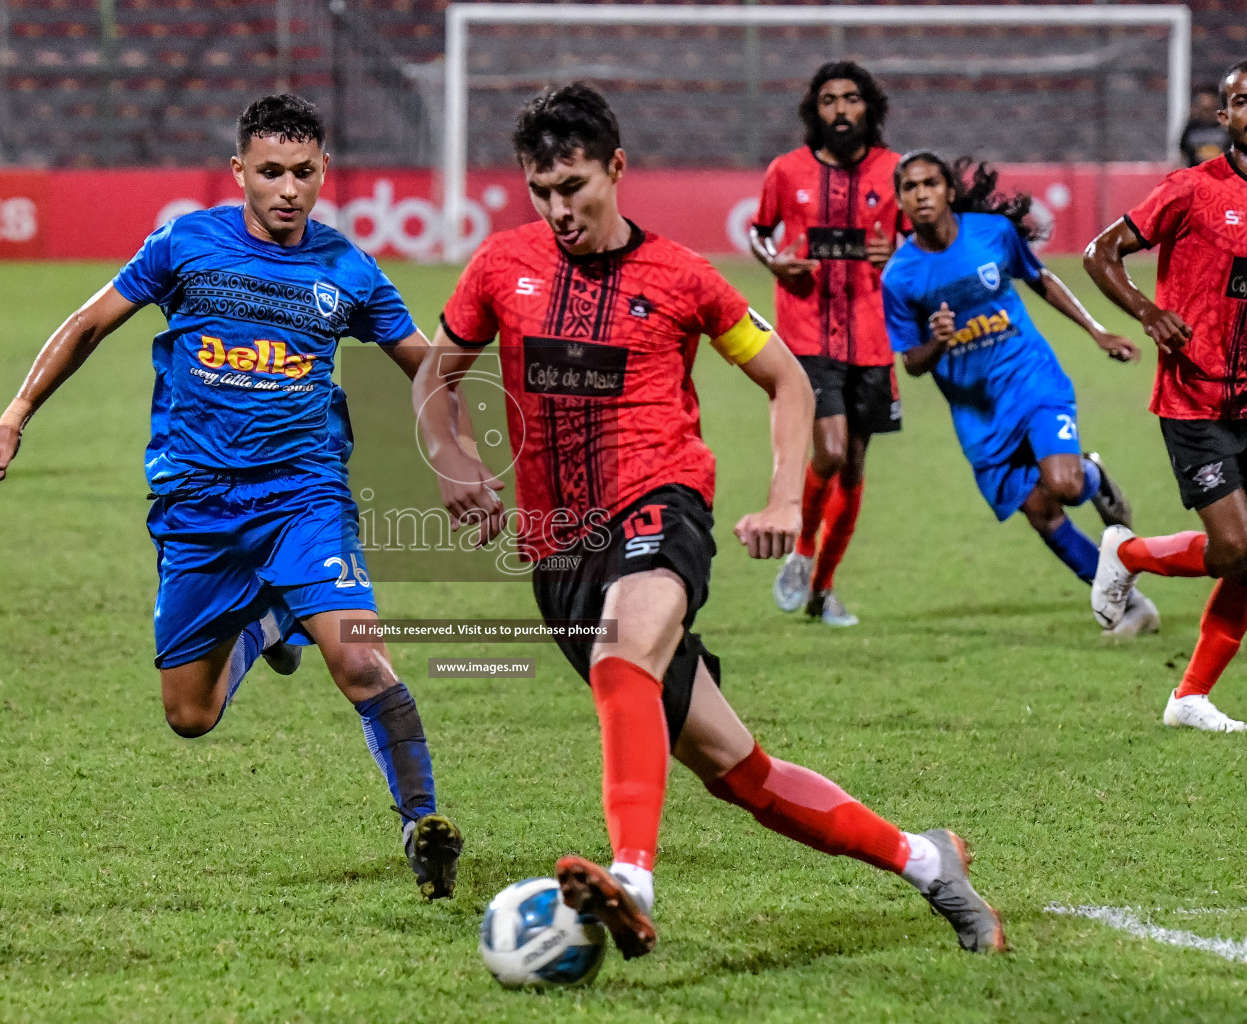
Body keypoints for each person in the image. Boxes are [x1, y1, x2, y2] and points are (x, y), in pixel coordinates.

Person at [412, 83, 1005, 961]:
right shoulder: (502, 267)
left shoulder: (682, 277)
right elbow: (435, 378)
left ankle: (633, 881)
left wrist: (783, 499)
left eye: (574, 185)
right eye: (541, 191)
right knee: (743, 776)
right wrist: (455, 464)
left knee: (625, 642)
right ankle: (928, 862)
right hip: (560, 553)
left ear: (617, 168)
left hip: (662, 504)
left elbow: (788, 379)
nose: (559, 208)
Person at [0, 94, 464, 896]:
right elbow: (91, 323)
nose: (288, 190)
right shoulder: (186, 244)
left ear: (323, 172)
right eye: (270, 172)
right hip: (197, 508)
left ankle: (423, 822)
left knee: (364, 661)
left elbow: (425, 366)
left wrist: (465, 432)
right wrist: (15, 415)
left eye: (304, 173)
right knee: (189, 716)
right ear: (239, 171)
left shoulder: (347, 270)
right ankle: (272, 619)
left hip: (306, 498)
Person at [881, 151, 1157, 637]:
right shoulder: (899, 276)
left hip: (1031, 379)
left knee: (1066, 485)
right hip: (977, 414)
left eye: (930, 183)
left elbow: (1040, 279)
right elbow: (912, 363)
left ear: (948, 189)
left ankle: (1094, 477)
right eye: (909, 187)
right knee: (1041, 511)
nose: (920, 194)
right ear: (900, 198)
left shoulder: (991, 233)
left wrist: (1096, 331)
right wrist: (936, 342)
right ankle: (1130, 603)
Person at [1084, 60, 1247, 732]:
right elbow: (1101, 252)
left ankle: (1189, 698)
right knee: (1237, 550)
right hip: (1194, 396)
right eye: (1244, 100)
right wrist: (1148, 312)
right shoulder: (1193, 189)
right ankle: (1126, 553)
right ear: (1225, 116)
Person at [750, 62, 902, 626]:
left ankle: (822, 589)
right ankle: (803, 551)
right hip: (806, 331)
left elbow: (920, 246)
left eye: (852, 99)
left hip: (871, 335)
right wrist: (775, 262)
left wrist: (901, 258)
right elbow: (759, 230)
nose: (841, 110)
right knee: (831, 451)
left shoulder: (895, 172)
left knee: (855, 468)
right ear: (815, 110)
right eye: (829, 100)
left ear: (870, 107)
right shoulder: (786, 171)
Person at [1180, 88, 1231, 168]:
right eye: (1204, 109)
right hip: (1197, 173)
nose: (1207, 113)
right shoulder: (1192, 127)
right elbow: (1183, 150)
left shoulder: (1225, 126)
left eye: (1210, 109)